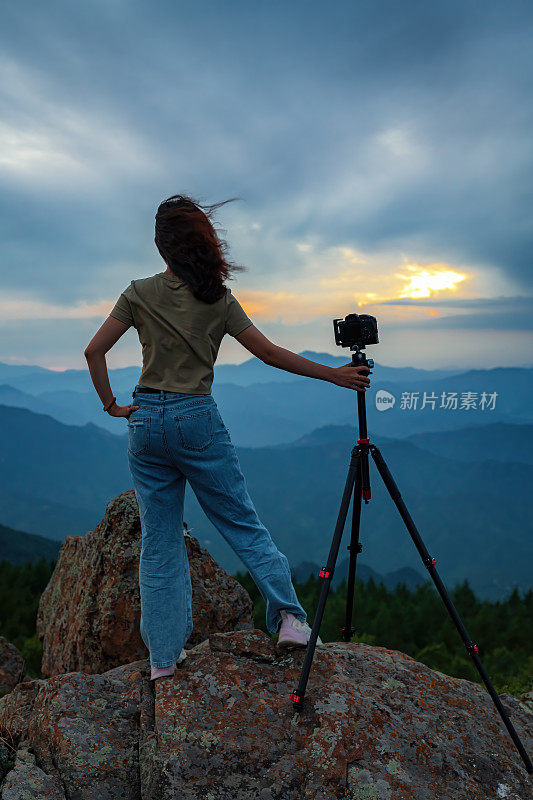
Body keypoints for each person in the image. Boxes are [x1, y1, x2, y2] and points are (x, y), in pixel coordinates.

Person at [84, 194, 372, 681]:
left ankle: (163, 661)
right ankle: (289, 619)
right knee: (242, 523)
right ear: (202, 244)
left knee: (159, 540)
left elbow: (94, 351)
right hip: (196, 416)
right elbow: (268, 352)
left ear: (162, 248)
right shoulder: (218, 298)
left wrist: (112, 406)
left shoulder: (137, 292)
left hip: (146, 418)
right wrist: (335, 375)